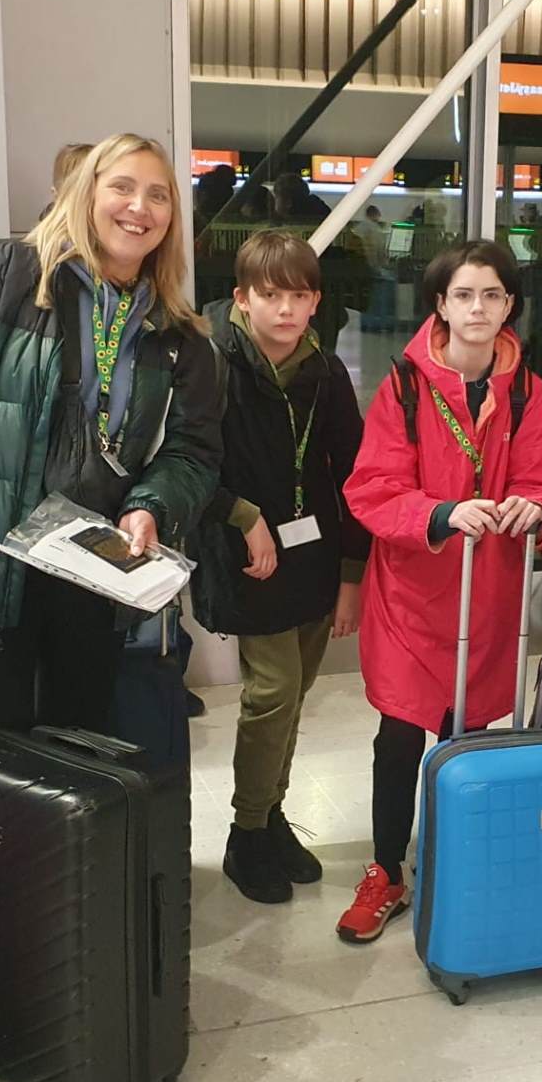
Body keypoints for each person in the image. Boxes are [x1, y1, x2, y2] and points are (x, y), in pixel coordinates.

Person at [0, 132, 221, 735]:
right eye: (122, 187)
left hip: (97, 578)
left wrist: (151, 505)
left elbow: (192, 451)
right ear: (86, 194)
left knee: (79, 754)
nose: (139, 208)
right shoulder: (9, 278)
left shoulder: (178, 333)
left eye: (158, 195)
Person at [338, 240, 542, 943]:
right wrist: (441, 514)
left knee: (466, 734)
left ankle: (457, 860)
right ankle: (386, 869)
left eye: (492, 295)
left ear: (509, 306)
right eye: (464, 295)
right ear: (440, 305)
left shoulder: (526, 390)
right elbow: (373, 487)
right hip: (412, 591)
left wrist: (536, 506)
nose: (478, 308)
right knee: (399, 731)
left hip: (487, 592)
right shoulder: (405, 386)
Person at [193, 232, 368, 905]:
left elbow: (356, 474)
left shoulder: (324, 371)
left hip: (312, 552)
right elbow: (186, 464)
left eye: (299, 295)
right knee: (273, 690)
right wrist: (243, 517)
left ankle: (271, 816)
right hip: (246, 556)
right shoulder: (211, 362)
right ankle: (245, 832)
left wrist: (352, 571)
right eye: (271, 295)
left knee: (294, 694)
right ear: (242, 298)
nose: (286, 309)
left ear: (317, 301)